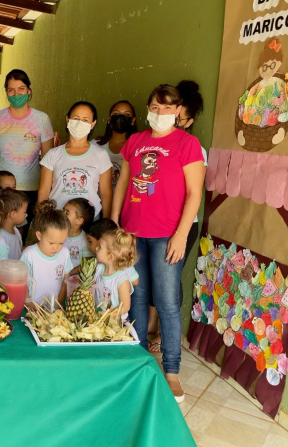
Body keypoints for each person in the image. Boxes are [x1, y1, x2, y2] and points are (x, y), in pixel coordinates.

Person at [111, 84, 205, 403]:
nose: (160, 113)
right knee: (136, 297)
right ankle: (137, 360)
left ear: (178, 111)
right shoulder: (135, 142)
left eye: (167, 107)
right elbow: (124, 182)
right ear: (148, 108)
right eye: (155, 106)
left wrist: (180, 235)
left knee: (165, 302)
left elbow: (195, 193)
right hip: (133, 232)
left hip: (167, 234)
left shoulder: (187, 144)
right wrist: (114, 224)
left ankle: (172, 372)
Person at [148, 80, 206, 353]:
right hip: (154, 223)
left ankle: (163, 333)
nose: (166, 119)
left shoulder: (193, 148)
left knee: (168, 281)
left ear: (187, 118)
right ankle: (148, 328)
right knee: (150, 278)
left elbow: (192, 193)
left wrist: (180, 233)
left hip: (181, 225)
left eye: (176, 116)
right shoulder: (149, 143)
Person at [0, 69, 54, 237]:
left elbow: (49, 161)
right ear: (6, 92)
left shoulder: (42, 119)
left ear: (29, 90)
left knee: (21, 237)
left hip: (31, 192)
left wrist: (45, 192)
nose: (16, 93)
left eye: (21, 88)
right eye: (11, 90)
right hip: (0, 190)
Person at [39, 101, 113, 219]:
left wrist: (106, 223)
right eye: (76, 118)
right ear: (68, 119)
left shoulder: (101, 155)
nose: (80, 123)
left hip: (89, 221)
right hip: (57, 221)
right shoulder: (53, 155)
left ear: (93, 124)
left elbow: (106, 193)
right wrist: (41, 219)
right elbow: (43, 192)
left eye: (85, 120)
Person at [20, 200, 73, 305]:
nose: (56, 248)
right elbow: (21, 282)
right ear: (39, 236)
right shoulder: (29, 254)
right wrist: (29, 303)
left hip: (55, 308)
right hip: (32, 307)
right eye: (51, 243)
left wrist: (60, 301)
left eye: (61, 243)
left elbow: (65, 280)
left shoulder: (65, 253)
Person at [94, 101, 138, 191]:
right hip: (97, 203)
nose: (121, 117)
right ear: (109, 119)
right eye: (116, 113)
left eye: (127, 114)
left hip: (126, 203)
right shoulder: (95, 145)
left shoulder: (138, 148)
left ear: (133, 120)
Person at [93, 229, 137, 318]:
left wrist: (109, 316)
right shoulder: (98, 268)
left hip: (116, 322)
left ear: (111, 256)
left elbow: (125, 306)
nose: (96, 248)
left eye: (100, 247)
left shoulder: (122, 280)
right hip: (98, 318)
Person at [0, 189, 28, 260]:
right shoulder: (0, 236)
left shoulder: (16, 231)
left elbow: (20, 248)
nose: (26, 215)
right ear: (13, 214)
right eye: (25, 212)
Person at [63, 198, 94, 270]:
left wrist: (68, 273)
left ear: (79, 220)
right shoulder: (57, 233)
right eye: (63, 210)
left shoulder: (85, 240)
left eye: (67, 213)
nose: (62, 214)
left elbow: (86, 264)